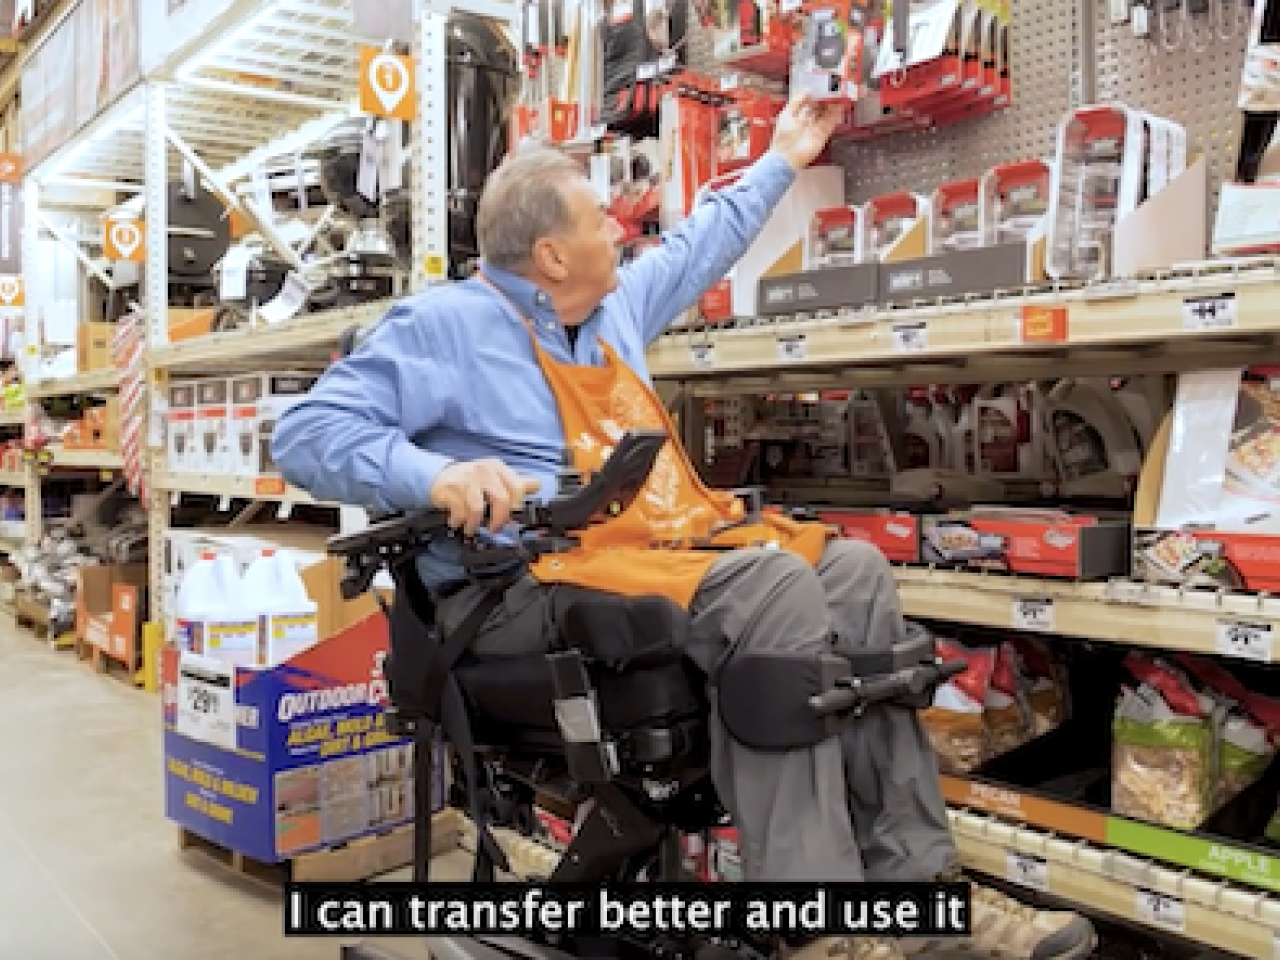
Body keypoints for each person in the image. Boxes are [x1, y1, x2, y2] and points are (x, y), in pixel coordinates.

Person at [271, 95, 1097, 960]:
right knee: (771, 589)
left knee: (849, 573)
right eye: (601, 223)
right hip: (518, 591)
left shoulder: (612, 311)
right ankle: (816, 927)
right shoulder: (442, 326)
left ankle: (919, 895)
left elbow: (704, 238)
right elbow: (305, 435)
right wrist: (439, 475)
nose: (620, 238)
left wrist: (783, 157)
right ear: (552, 254)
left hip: (642, 563)